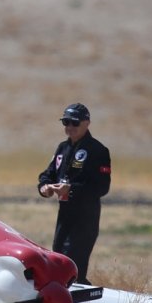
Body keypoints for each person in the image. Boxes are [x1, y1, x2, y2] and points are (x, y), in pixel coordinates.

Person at [37, 103, 111, 285]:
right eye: (66, 122)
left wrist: (72, 189)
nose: (70, 127)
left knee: (74, 265)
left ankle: (84, 299)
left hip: (85, 217)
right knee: (59, 259)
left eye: (75, 123)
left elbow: (102, 187)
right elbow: (48, 174)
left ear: (87, 123)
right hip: (64, 216)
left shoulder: (98, 150)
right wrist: (44, 187)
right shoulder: (62, 148)